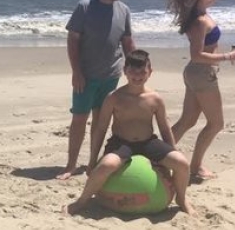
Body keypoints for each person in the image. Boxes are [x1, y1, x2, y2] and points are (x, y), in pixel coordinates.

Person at [64, 50, 194, 215]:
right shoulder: (114, 97)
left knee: (182, 163)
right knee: (106, 166)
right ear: (125, 71)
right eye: (133, 71)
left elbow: (164, 129)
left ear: (150, 72)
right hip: (121, 143)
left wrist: (172, 152)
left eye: (142, 72)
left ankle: (181, 199)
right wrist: (92, 161)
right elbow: (101, 129)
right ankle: (82, 201)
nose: (137, 76)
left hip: (148, 143)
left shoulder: (155, 99)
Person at [55, 0, 136, 180]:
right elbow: (73, 40)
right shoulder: (85, 7)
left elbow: (127, 41)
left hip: (111, 75)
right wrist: (76, 72)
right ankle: (71, 165)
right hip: (86, 75)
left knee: (101, 122)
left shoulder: (124, 10)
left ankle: (92, 163)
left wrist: (135, 66)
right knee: (79, 120)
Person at [166, 0, 235, 182]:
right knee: (216, 123)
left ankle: (159, 155)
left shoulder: (202, 12)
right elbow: (197, 55)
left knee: (188, 120)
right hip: (201, 73)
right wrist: (227, 57)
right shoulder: (199, 21)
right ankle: (195, 167)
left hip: (197, 74)